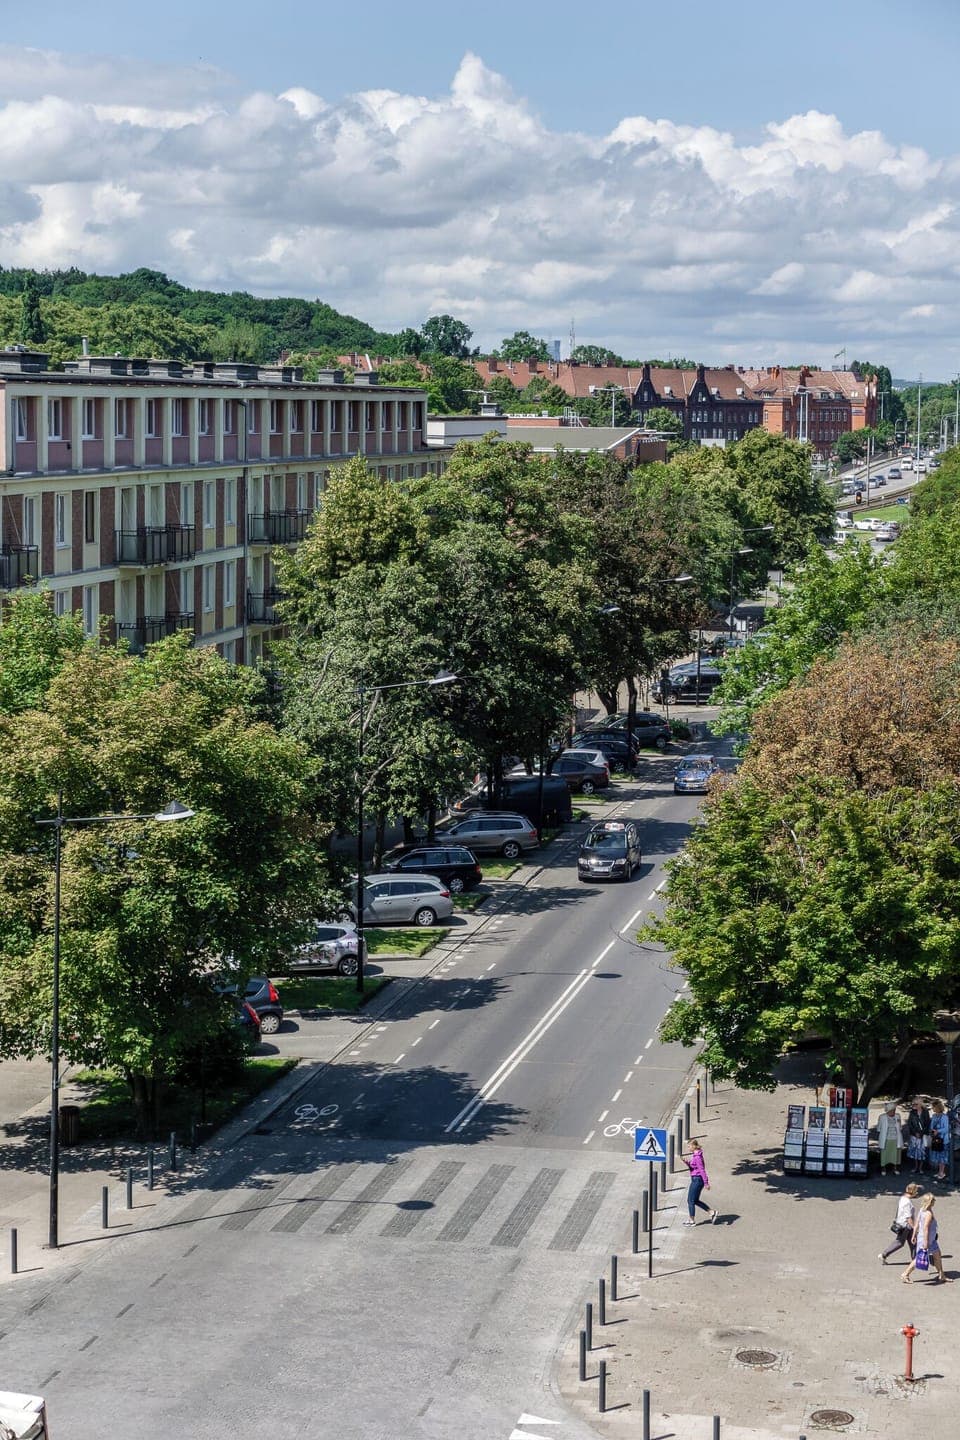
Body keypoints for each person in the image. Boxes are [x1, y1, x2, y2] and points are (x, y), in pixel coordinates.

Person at [903, 1193, 952, 1284]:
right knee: (919, 1258)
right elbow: (925, 1228)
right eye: (933, 1200)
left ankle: (942, 1275)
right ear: (930, 1202)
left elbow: (917, 1223)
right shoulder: (928, 1213)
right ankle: (905, 1274)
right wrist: (925, 1243)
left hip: (927, 1239)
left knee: (937, 1255)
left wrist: (914, 1235)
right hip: (928, 1240)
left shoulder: (922, 1210)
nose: (934, 1202)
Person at [879, 1182, 921, 1264]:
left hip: (903, 1224)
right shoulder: (907, 1202)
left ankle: (915, 1259)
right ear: (914, 1192)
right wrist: (915, 1228)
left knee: (913, 1242)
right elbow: (908, 1218)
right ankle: (884, 1254)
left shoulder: (903, 1198)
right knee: (900, 1242)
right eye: (916, 1191)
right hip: (906, 1226)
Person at [680, 1138, 717, 1226]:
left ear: (693, 1146)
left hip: (697, 1180)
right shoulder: (696, 1155)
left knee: (690, 1200)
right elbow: (694, 1167)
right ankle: (712, 1212)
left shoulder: (697, 1157)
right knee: (695, 1200)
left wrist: (706, 1183)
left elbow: (701, 1170)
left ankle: (691, 1220)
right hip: (696, 1179)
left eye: (689, 1146)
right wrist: (687, 1162)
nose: (688, 1148)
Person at [905, 1099, 931, 1174]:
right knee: (915, 1151)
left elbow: (927, 1123)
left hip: (922, 1135)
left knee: (922, 1152)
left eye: (916, 1104)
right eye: (913, 1104)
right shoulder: (912, 1112)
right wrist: (915, 1133)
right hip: (914, 1135)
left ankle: (921, 1168)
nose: (914, 1105)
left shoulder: (925, 1112)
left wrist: (921, 1133)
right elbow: (910, 1124)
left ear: (920, 1105)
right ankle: (916, 1167)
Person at [877, 1104, 903, 1175]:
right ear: (888, 1111)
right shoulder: (882, 1117)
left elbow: (900, 1127)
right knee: (884, 1154)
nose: (894, 1111)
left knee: (895, 1154)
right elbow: (878, 1128)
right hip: (886, 1139)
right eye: (892, 1110)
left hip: (896, 1138)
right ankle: (883, 1168)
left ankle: (895, 1168)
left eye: (894, 1110)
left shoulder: (898, 1116)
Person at [930, 1100, 950, 1182]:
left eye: (933, 1107)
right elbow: (931, 1126)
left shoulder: (945, 1117)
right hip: (936, 1139)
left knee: (943, 1156)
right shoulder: (934, 1116)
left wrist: (938, 1131)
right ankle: (939, 1172)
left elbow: (946, 1129)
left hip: (943, 1140)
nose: (932, 1108)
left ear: (937, 1107)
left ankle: (942, 1173)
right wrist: (932, 1130)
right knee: (938, 1156)